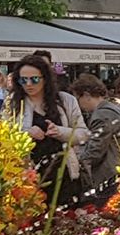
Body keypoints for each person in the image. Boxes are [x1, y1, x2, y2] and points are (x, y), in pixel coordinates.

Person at [11, 55, 84, 195]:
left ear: (45, 79)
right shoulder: (13, 104)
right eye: (23, 80)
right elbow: (3, 138)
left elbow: (83, 135)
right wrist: (26, 133)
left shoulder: (66, 101)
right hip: (28, 174)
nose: (28, 84)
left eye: (34, 79)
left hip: (63, 171)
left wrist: (60, 131)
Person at [71, 76, 120, 203]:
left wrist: (77, 160)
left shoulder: (101, 115)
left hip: (108, 174)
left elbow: (96, 150)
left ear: (86, 95)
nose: (79, 105)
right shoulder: (114, 109)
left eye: (78, 99)